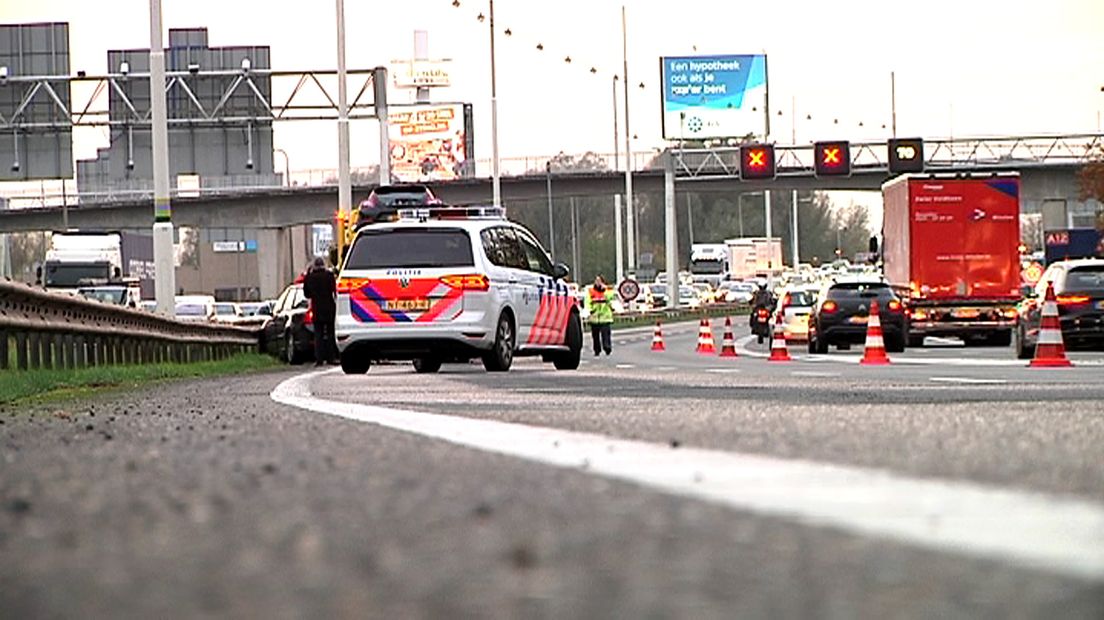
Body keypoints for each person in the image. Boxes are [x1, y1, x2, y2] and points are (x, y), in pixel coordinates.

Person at [302, 256, 338, 366]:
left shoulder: (311, 278)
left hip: (317, 309)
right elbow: (334, 290)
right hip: (329, 308)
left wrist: (308, 274)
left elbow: (306, 294)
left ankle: (319, 359)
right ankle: (331, 358)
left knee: (318, 335)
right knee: (331, 333)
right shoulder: (329, 276)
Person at [585, 275, 616, 356]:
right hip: (594, 318)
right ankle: (597, 350)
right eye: (596, 281)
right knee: (595, 337)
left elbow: (610, 298)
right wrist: (589, 310)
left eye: (599, 281)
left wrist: (604, 290)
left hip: (605, 318)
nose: (598, 282)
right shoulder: (591, 291)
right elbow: (587, 301)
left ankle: (607, 348)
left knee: (605, 335)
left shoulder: (608, 290)